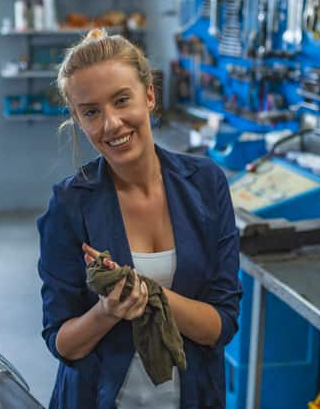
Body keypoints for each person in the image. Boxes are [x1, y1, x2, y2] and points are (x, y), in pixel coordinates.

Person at [37, 29, 242, 409]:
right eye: (92, 112)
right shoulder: (68, 204)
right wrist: (106, 311)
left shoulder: (205, 184)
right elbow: (61, 342)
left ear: (149, 95)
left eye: (121, 100)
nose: (112, 124)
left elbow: (222, 325)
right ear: (78, 119)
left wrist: (149, 294)